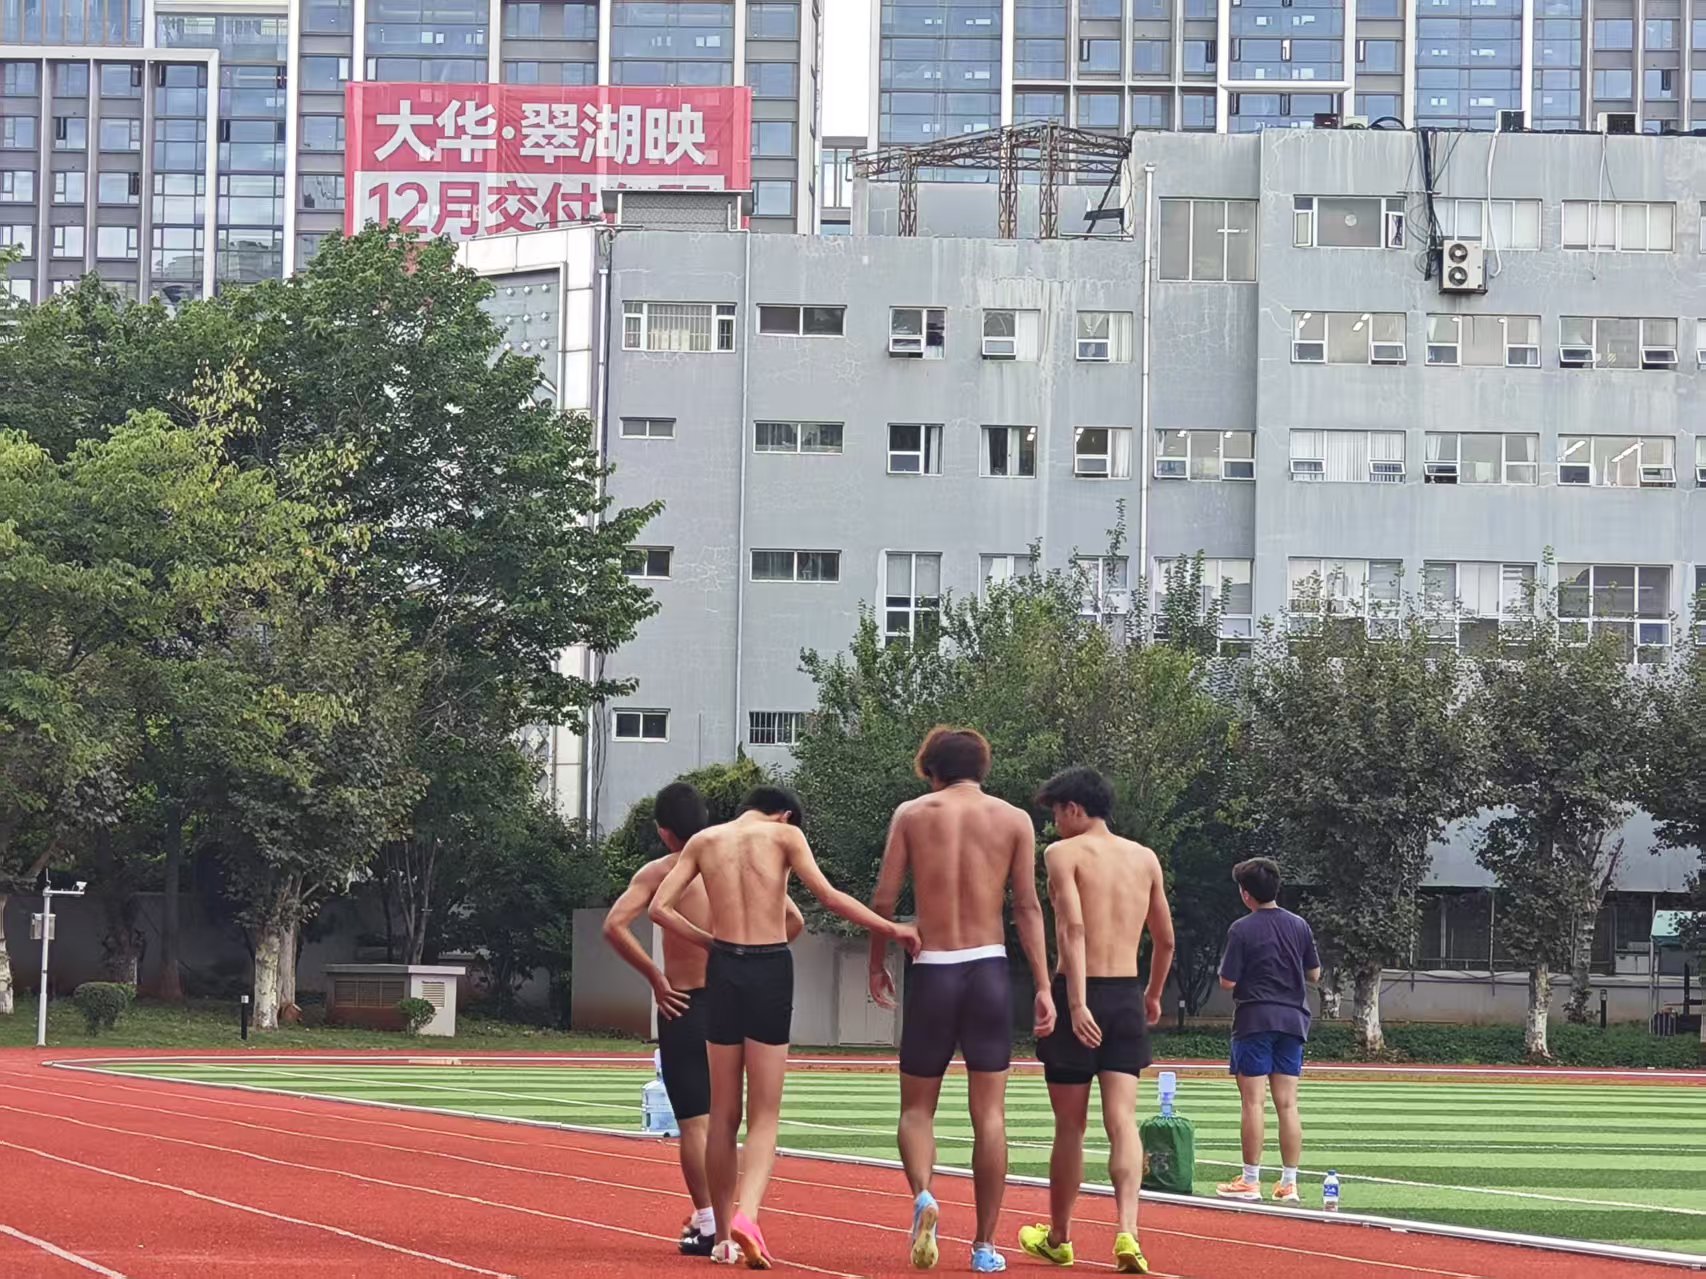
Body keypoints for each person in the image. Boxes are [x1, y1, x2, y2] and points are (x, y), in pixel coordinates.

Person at [651, 785, 920, 1270]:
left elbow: (659, 908)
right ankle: (748, 1216)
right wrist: (891, 929)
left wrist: (710, 942)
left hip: (723, 968)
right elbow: (829, 898)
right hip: (769, 966)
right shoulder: (785, 837)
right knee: (765, 1113)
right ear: (785, 815)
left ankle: (721, 1238)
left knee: (723, 1112)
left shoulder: (706, 841)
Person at [867, 727, 1055, 1275]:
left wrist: (877, 962)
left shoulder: (912, 814)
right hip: (988, 969)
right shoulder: (1014, 819)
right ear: (983, 768)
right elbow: (1027, 908)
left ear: (931, 770)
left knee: (915, 1109)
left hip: (933, 967)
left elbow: (884, 897)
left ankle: (924, 1195)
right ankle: (984, 1245)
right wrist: (1043, 985)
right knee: (989, 1115)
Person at [600, 782, 803, 1255]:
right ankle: (740, 1217)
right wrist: (753, 955)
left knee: (697, 1122)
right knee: (746, 1114)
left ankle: (713, 1222)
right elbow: (794, 920)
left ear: (663, 831)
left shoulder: (661, 871)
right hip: (739, 993)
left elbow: (614, 925)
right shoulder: (730, 859)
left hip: (685, 1001)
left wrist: (655, 977)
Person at [1017, 766, 1174, 1276]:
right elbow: (1165, 939)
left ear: (1074, 809)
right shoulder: (1145, 858)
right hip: (1127, 993)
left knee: (1070, 1126)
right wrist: (1152, 994)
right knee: (1122, 1121)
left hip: (1079, 993)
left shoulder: (1063, 854)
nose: (1055, 825)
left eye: (1056, 814)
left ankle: (1060, 1237)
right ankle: (1128, 1231)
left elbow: (1073, 927)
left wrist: (1077, 1003)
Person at [1213, 857, 1321, 1205]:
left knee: (1253, 1102)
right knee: (1287, 1104)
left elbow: (1227, 981)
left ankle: (1250, 1180)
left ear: (1246, 894)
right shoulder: (1299, 925)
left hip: (1255, 1019)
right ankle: (1289, 1183)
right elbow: (1314, 974)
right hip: (1293, 1020)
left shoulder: (1241, 929)